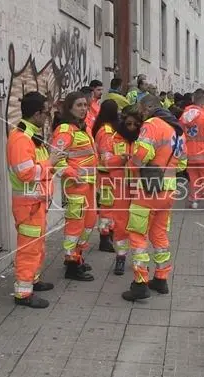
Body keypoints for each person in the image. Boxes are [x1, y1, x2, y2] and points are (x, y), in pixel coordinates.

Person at [123, 94, 187, 301]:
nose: (141, 115)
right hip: (168, 190)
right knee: (159, 235)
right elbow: (183, 164)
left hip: (147, 189)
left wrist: (131, 164)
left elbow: (141, 155)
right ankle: (161, 278)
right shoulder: (178, 130)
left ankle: (140, 284)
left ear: (149, 107)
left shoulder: (152, 124)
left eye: (142, 110)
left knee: (137, 234)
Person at [7, 91, 64, 308]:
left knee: (37, 246)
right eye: (46, 113)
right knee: (29, 249)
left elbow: (40, 169)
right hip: (28, 206)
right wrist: (50, 161)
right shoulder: (21, 138)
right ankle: (23, 294)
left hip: (36, 204)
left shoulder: (31, 137)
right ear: (37, 113)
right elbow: (26, 173)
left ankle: (33, 280)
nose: (47, 118)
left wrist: (55, 163)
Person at [52, 92, 98, 281]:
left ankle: (77, 257)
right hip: (75, 187)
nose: (83, 109)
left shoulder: (83, 128)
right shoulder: (65, 130)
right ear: (70, 108)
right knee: (75, 226)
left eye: (85, 105)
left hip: (89, 185)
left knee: (88, 223)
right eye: (79, 105)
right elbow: (56, 161)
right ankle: (71, 264)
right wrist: (73, 174)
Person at [99, 105, 142, 275]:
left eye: (135, 124)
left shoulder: (144, 139)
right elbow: (106, 161)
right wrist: (120, 159)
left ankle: (139, 261)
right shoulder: (113, 139)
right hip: (121, 188)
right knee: (121, 225)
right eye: (128, 124)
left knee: (139, 225)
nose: (131, 127)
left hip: (139, 188)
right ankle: (121, 257)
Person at [93, 99, 120, 253]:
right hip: (106, 175)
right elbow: (106, 156)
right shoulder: (107, 132)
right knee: (107, 208)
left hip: (107, 175)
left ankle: (108, 233)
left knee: (109, 207)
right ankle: (105, 237)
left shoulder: (103, 128)